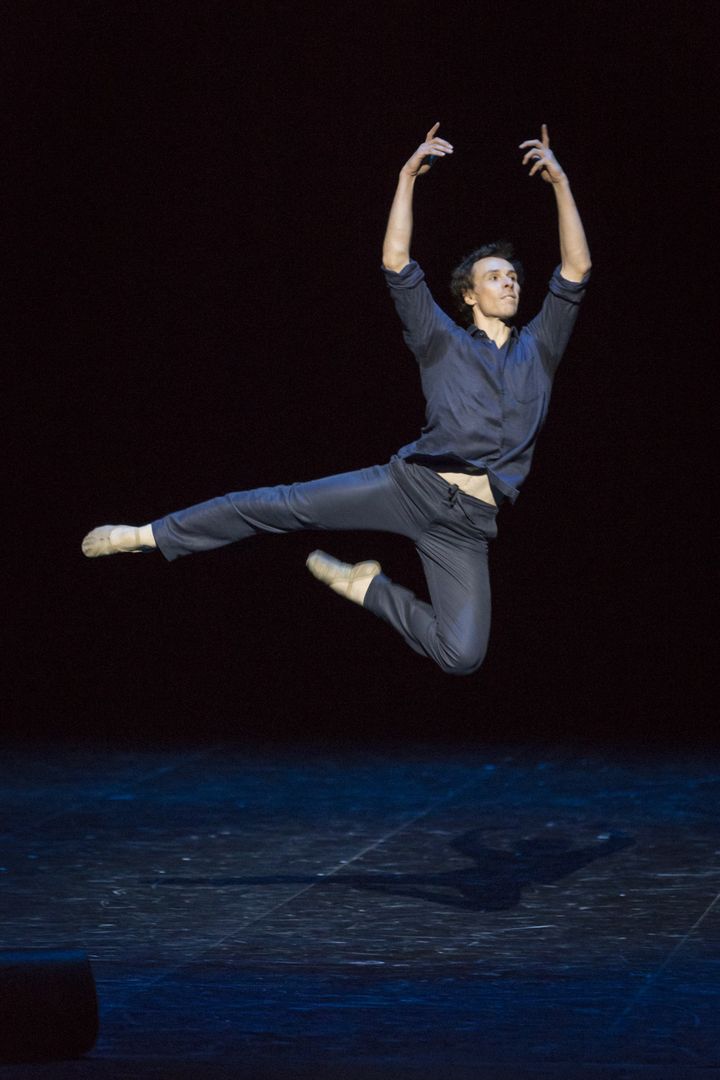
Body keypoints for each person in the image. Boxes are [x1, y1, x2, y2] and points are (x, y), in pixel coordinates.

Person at [82, 123, 591, 676]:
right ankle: (148, 535)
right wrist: (406, 179)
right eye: (495, 276)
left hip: (468, 523)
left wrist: (561, 184)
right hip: (411, 486)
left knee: (463, 655)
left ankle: (369, 588)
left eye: (514, 276)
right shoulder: (440, 339)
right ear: (470, 295)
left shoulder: (539, 349)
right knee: (275, 505)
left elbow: (576, 270)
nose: (511, 282)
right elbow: (397, 260)